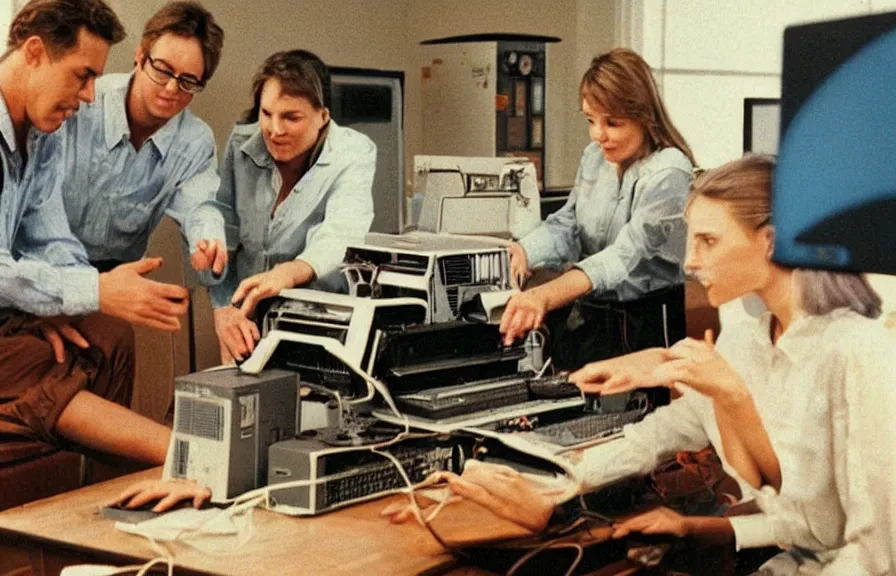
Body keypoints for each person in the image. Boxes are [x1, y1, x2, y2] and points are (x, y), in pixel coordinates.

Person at [386, 155, 891, 574]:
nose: (690, 262)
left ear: (772, 241)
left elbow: (874, 555)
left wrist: (730, 397)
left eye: (708, 241)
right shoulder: (746, 344)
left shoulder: (858, 353)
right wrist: (555, 483)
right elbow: (657, 438)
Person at [0, 0, 185, 467]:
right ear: (36, 52)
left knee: (105, 335)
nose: (88, 96)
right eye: (82, 75)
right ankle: (183, 456)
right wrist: (95, 289)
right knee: (34, 363)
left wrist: (80, 302)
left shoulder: (42, 134)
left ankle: (108, 495)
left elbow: (50, 235)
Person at [499, 48, 696, 370]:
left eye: (612, 123)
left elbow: (622, 255)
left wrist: (544, 296)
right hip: (592, 321)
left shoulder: (669, 172)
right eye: (590, 120)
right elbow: (569, 225)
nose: (598, 135)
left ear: (644, 115)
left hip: (644, 327)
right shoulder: (594, 157)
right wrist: (524, 251)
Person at [210, 49, 376, 363]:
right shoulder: (240, 144)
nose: (274, 129)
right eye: (266, 113)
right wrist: (224, 311)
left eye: (291, 117)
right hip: (243, 323)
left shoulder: (354, 152)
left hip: (319, 324)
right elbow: (221, 235)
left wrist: (286, 274)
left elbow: (342, 232)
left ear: (323, 116)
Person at [52, 0, 228, 278]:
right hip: (42, 261)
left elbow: (200, 206)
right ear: (140, 56)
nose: (171, 88)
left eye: (188, 81)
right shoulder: (83, 101)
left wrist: (209, 240)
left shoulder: (195, 142)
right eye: (162, 69)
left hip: (116, 273)